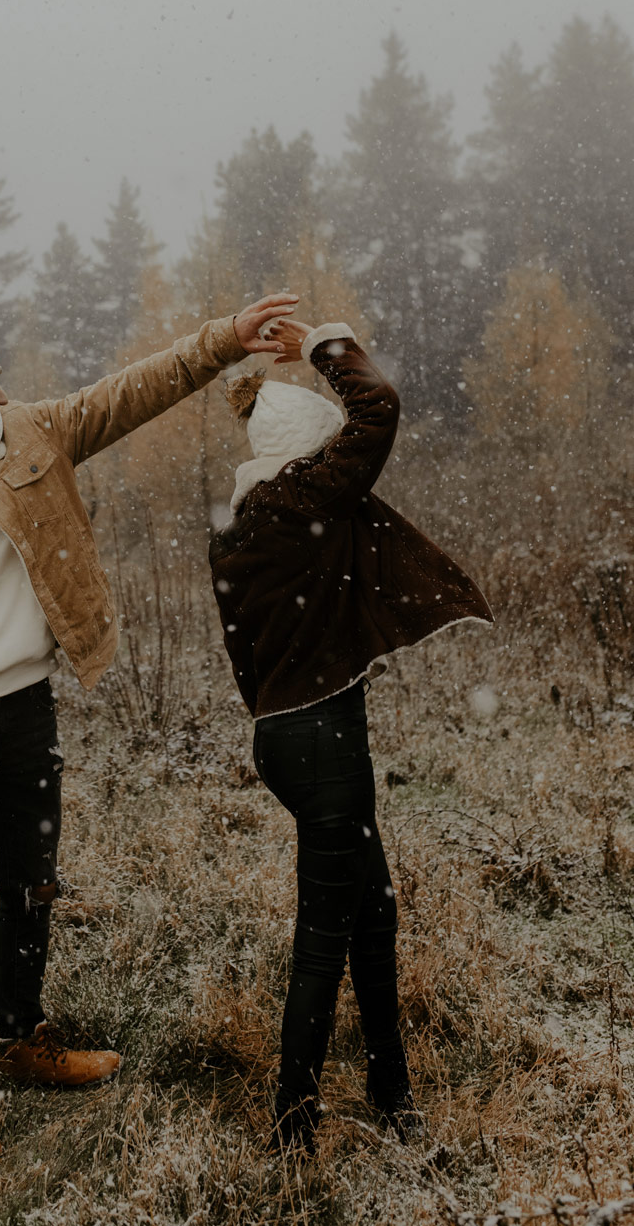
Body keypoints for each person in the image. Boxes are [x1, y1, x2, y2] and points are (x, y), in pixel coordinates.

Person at [0, 292, 297, 1160]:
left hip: (24, 713)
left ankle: (22, 1040)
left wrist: (222, 340)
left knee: (32, 887)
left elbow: (132, 391)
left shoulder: (33, 436)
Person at [209, 318, 493, 1152]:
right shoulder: (307, 498)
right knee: (323, 935)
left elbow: (244, 659)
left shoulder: (238, 525)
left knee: (373, 912)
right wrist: (328, 344)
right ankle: (294, 1121)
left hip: (286, 741)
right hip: (326, 749)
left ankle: (389, 1084)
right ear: (307, 454)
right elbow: (380, 407)